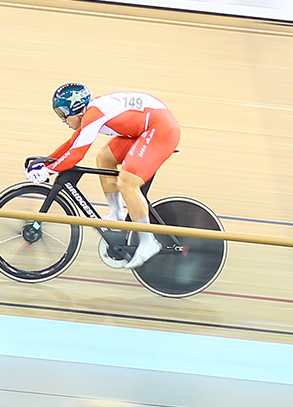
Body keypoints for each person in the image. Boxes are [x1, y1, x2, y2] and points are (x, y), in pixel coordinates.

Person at [30, 84, 181, 270]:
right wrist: (45, 162)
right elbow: (70, 144)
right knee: (104, 157)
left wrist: (48, 171)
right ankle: (116, 215)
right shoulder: (90, 112)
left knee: (127, 182)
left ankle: (149, 241)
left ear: (75, 109)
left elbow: (77, 154)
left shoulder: (93, 114)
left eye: (62, 113)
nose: (62, 120)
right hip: (144, 128)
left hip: (160, 129)